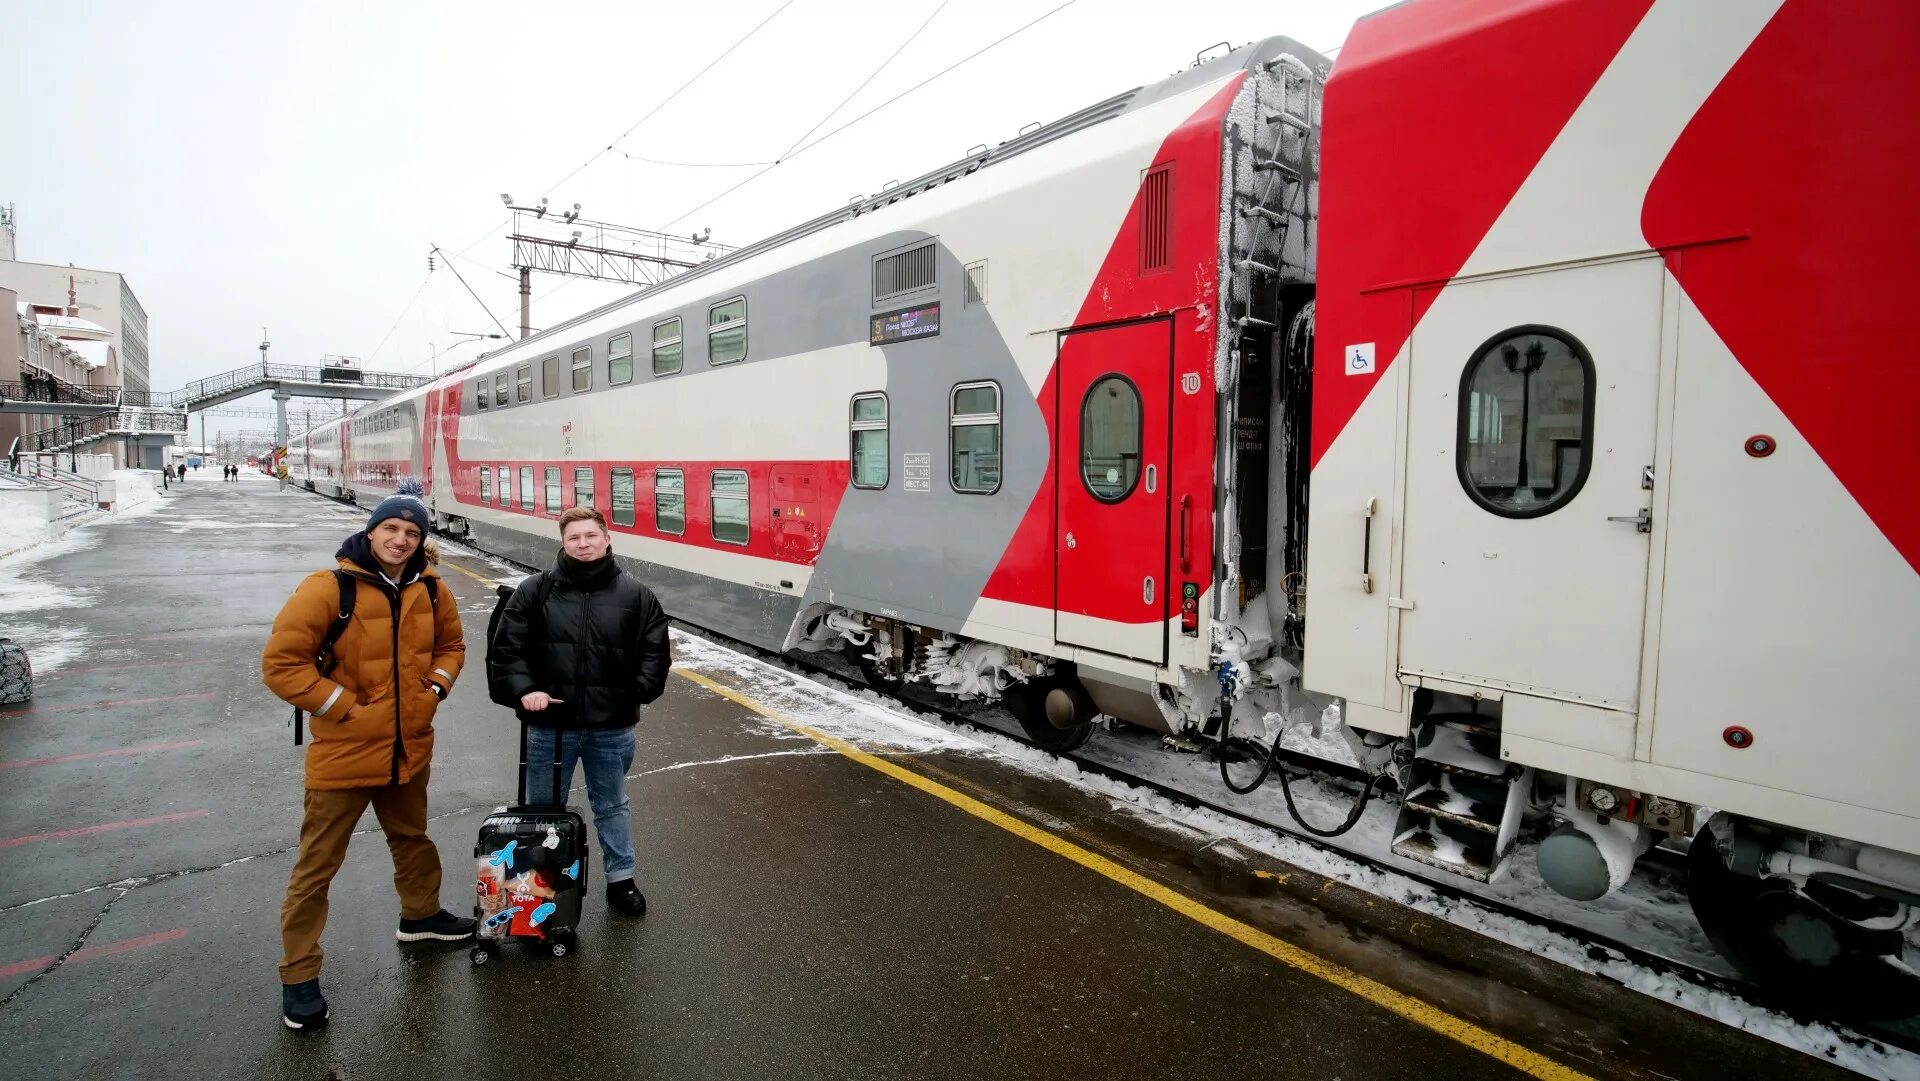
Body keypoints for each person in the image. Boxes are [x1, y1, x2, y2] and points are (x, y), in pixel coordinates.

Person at [261, 478, 471, 1031]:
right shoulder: (328, 589)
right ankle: (299, 975)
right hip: (344, 757)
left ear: (422, 541)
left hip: (409, 751)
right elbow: (282, 666)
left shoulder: (431, 590)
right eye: (391, 528)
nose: (400, 539)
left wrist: (433, 693)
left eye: (411, 532)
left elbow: (452, 647)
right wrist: (344, 708)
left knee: (412, 839)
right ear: (371, 530)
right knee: (318, 867)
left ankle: (421, 917)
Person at [489, 505, 671, 919]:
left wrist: (637, 694)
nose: (583, 544)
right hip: (551, 725)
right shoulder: (535, 591)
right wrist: (526, 690)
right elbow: (508, 651)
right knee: (543, 810)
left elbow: (655, 653)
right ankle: (538, 888)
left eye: (591, 536)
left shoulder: (636, 595)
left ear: (607, 539)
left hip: (611, 727)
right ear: (563, 543)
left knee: (612, 804)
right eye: (574, 538)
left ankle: (621, 881)